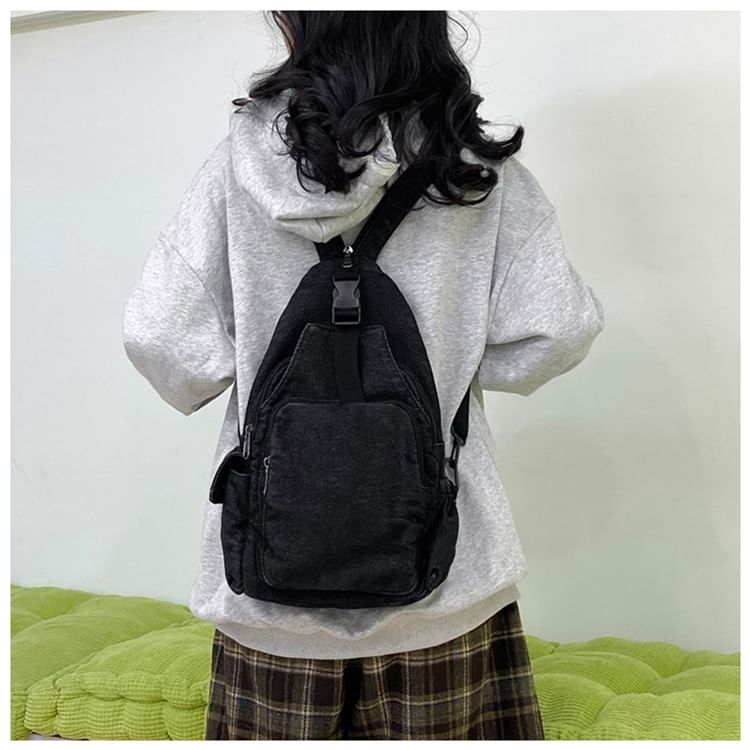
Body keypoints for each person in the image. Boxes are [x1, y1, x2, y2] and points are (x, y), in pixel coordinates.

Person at [122, 10, 604, 741]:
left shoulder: (236, 171)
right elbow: (556, 330)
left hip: (270, 593)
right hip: (446, 588)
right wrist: (456, 360)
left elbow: (163, 340)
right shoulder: (477, 174)